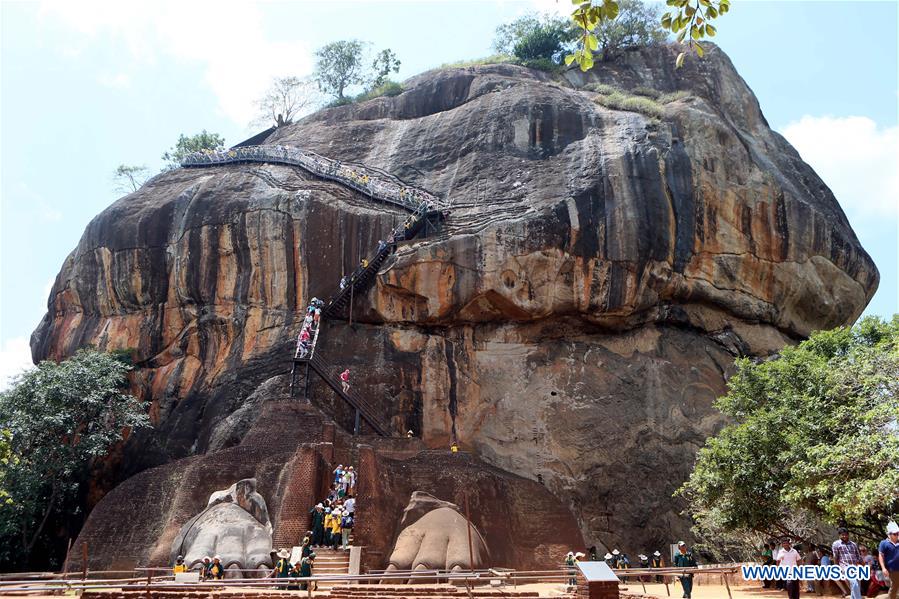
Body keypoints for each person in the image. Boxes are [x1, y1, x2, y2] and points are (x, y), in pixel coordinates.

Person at [833, 527, 863, 599]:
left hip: (855, 567)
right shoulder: (836, 544)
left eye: (846, 534)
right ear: (839, 535)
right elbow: (835, 557)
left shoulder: (853, 544)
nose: (844, 536)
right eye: (842, 535)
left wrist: (863, 565)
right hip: (845, 567)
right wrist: (836, 568)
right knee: (854, 584)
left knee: (856, 586)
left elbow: (858, 556)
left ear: (848, 535)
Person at [878, 521, 899, 599]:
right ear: (889, 534)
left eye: (898, 533)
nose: (897, 535)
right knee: (895, 586)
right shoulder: (884, 543)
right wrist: (883, 568)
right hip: (892, 569)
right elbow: (881, 555)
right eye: (895, 534)